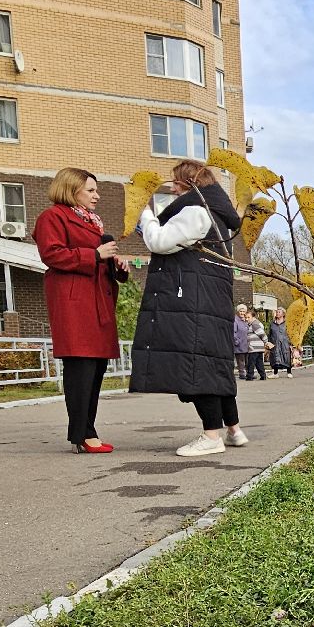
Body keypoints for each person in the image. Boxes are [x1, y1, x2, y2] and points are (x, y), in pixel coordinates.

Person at [132, 159, 250, 457]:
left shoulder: (196, 211)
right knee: (215, 362)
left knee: (197, 366)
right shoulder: (215, 211)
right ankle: (233, 429)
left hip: (192, 301)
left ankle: (211, 436)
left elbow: (160, 242)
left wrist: (144, 215)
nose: (171, 187)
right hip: (208, 299)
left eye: (176, 182)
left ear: (190, 183)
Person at [33, 167, 128, 454]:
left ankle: (87, 431)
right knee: (81, 368)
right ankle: (83, 433)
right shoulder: (53, 217)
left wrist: (116, 265)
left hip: (97, 300)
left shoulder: (92, 222)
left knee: (96, 368)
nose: (96, 196)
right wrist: (94, 255)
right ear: (71, 189)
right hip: (75, 304)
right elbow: (51, 254)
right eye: (90, 190)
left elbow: (98, 258)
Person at [268, 308, 295, 375]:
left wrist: (292, 344)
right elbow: (270, 333)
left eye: (279, 312)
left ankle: (289, 372)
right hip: (275, 343)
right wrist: (269, 342)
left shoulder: (287, 323)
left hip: (285, 343)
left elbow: (291, 334)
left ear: (283, 314)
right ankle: (275, 373)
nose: (277, 313)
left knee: (287, 357)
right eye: (277, 312)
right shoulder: (272, 323)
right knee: (275, 357)